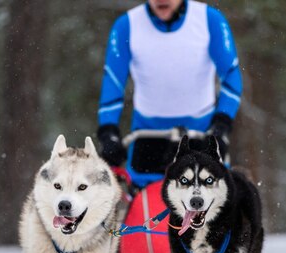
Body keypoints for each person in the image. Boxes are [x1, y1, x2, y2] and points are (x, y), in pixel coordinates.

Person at [97, 0, 242, 168]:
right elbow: (113, 81)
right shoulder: (126, 25)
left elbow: (231, 75)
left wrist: (221, 125)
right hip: (147, 135)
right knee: (142, 194)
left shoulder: (210, 20)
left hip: (201, 133)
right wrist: (108, 132)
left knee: (215, 192)